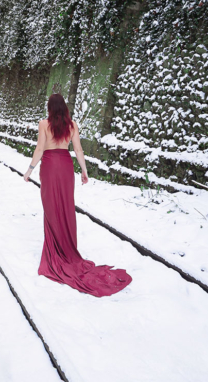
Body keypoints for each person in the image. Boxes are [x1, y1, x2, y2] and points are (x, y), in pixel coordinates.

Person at [23, 93, 132, 297]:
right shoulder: (72, 125)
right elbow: (79, 150)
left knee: (51, 208)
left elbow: (39, 149)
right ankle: (67, 250)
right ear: (64, 108)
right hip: (65, 166)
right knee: (65, 207)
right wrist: (84, 170)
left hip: (49, 166)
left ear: (49, 108)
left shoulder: (43, 124)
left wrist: (29, 170)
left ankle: (55, 253)